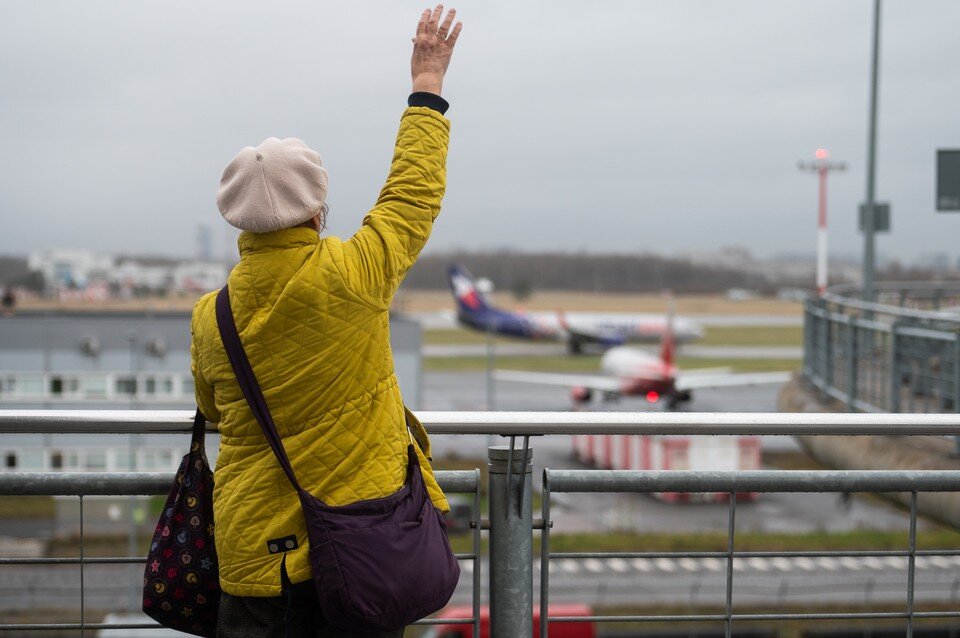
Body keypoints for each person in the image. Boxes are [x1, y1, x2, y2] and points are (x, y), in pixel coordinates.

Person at [189, 6, 462, 637]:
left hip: (255, 565)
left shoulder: (212, 317)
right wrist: (427, 88)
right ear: (318, 212)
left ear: (238, 221)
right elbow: (411, 195)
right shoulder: (353, 274)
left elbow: (213, 406)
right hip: (362, 549)